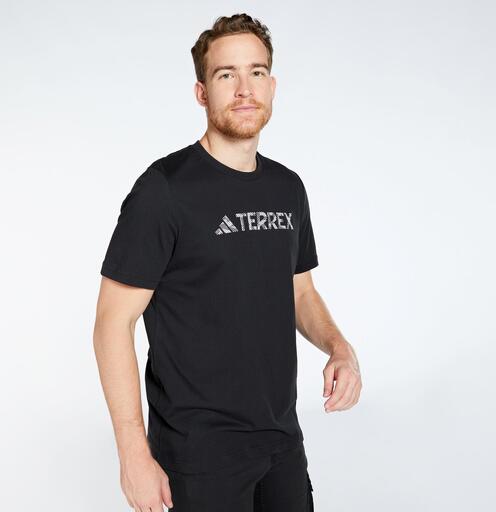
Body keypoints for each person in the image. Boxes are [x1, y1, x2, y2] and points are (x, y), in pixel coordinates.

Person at [93, 12, 362, 512]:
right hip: (197, 456)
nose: (244, 89)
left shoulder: (287, 187)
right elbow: (112, 323)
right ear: (202, 92)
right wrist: (133, 454)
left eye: (256, 72)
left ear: (272, 86)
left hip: (282, 443)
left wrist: (339, 346)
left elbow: (299, 290)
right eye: (226, 75)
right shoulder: (163, 191)